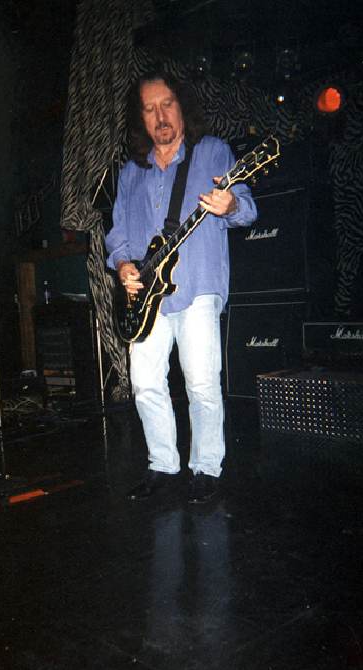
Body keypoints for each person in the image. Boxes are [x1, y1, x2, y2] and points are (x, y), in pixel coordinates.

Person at [105, 71, 257, 503]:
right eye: (149, 109)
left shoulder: (212, 152)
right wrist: (124, 266)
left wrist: (230, 204)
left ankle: (206, 468)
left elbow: (247, 209)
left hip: (197, 286)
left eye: (167, 104)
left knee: (201, 383)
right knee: (145, 384)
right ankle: (162, 465)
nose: (160, 116)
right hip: (147, 297)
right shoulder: (131, 172)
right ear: (140, 119)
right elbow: (118, 235)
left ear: (182, 106)